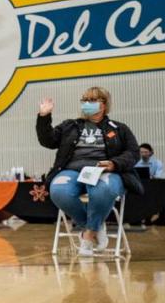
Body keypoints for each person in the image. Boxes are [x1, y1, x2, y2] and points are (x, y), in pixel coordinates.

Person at [37, 86, 142, 256]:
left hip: (105, 171)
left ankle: (87, 238)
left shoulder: (119, 128)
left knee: (104, 189)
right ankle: (95, 226)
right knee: (58, 189)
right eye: (84, 100)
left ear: (104, 104)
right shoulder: (70, 126)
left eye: (92, 100)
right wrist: (44, 116)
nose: (87, 104)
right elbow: (47, 140)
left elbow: (133, 153)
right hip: (72, 171)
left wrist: (114, 163)